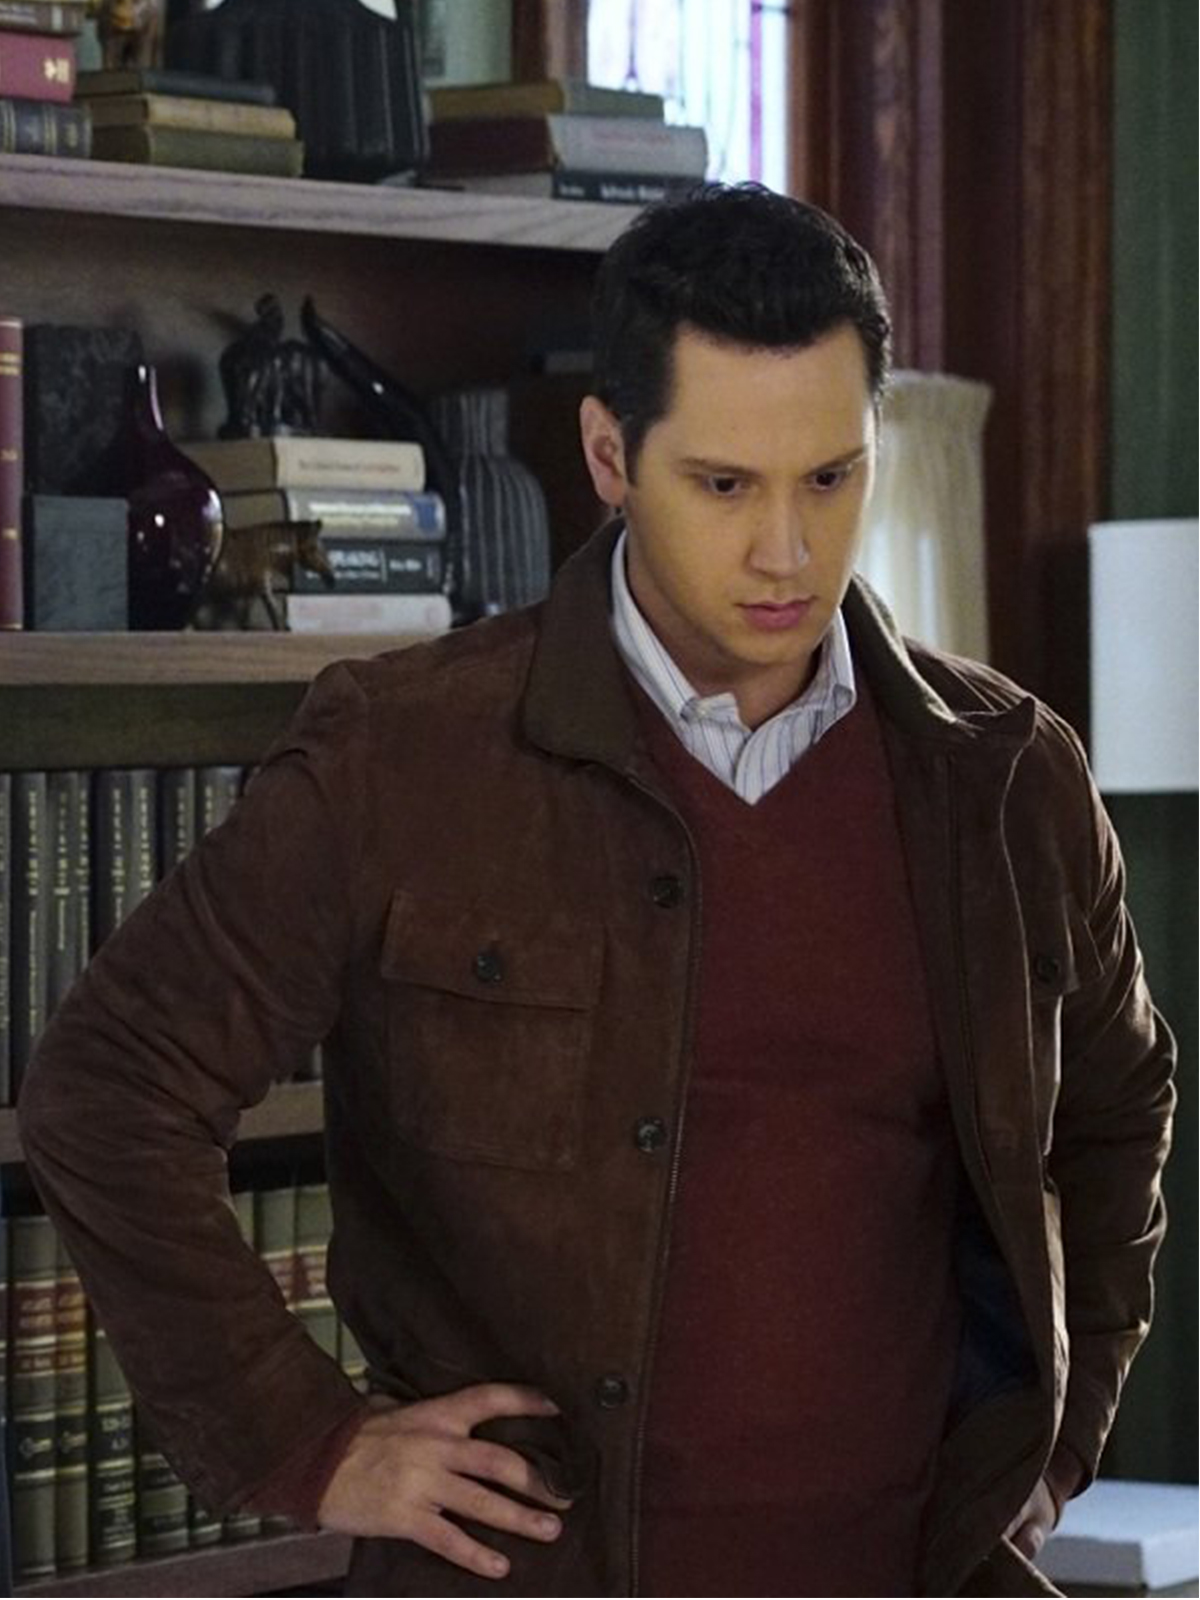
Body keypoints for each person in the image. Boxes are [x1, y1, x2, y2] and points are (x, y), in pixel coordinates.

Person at [18, 185, 1174, 1598]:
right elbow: (109, 1089)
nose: (788, 552)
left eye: (831, 478)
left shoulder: (1005, 779)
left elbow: (1119, 1113)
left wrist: (1056, 1446)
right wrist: (307, 1442)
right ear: (609, 455)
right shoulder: (402, 756)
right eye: (726, 485)